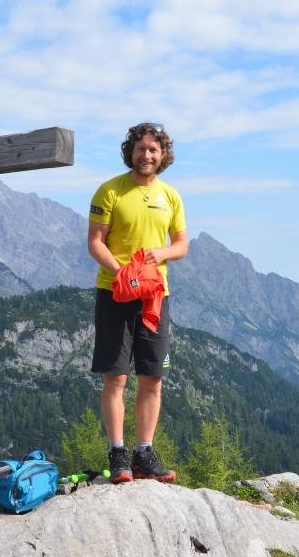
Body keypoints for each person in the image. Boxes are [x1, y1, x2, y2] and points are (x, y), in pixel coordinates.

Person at [87, 122, 188, 484]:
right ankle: (118, 453)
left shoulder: (170, 196)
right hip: (114, 293)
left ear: (163, 156)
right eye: (141, 148)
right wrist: (122, 273)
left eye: (153, 150)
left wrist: (160, 253)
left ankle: (144, 453)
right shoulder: (110, 190)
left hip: (154, 297)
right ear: (130, 152)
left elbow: (182, 244)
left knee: (153, 377)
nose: (147, 155)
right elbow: (95, 241)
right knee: (116, 376)